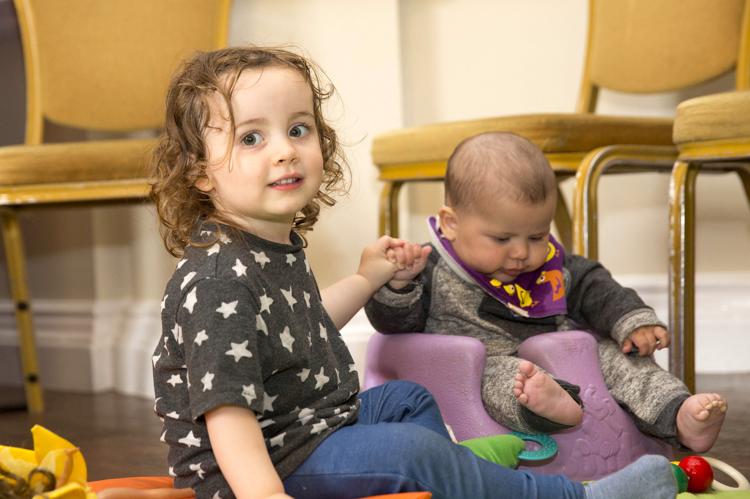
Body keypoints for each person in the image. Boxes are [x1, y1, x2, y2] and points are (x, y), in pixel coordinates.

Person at [149, 46, 678, 499]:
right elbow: (227, 415)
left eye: (297, 129)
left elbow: (300, 329)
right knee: (412, 449)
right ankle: (567, 495)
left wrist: (367, 277)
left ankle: (451, 480)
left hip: (310, 429)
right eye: (251, 138)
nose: (286, 150)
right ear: (198, 171)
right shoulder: (221, 277)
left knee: (409, 399)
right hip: (272, 463)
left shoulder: (269, 246)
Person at [366, 131, 727, 452]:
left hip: (566, 353)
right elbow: (396, 327)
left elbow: (593, 287)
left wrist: (632, 322)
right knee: (506, 381)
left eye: (537, 236)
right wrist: (399, 284)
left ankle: (679, 413)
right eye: (502, 238)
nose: (522, 252)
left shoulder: (553, 266)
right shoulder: (430, 267)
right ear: (452, 223)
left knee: (622, 358)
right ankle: (551, 410)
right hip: (483, 365)